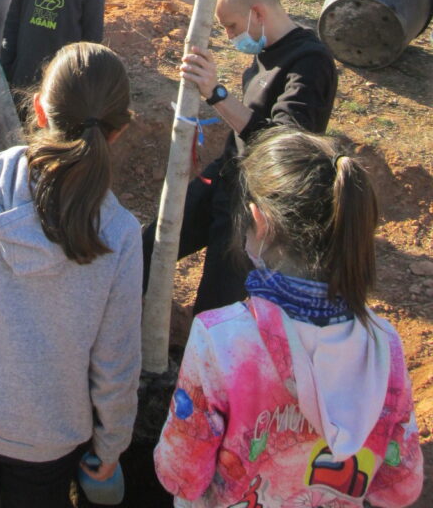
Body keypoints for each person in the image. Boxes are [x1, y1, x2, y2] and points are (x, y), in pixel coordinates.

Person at [0, 42, 143, 508]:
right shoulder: (118, 233)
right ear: (118, 132)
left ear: (37, 110)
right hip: (47, 438)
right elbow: (117, 358)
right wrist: (111, 442)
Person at [155, 126, 423, 508]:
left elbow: (180, 474)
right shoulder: (383, 346)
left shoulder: (220, 338)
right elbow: (400, 489)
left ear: (259, 220)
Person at [145, 0, 338, 314]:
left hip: (257, 201)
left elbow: (282, 142)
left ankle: (205, 346)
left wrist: (216, 94)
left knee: (217, 304)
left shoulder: (310, 64)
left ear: (258, 13)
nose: (230, 36)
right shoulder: (266, 49)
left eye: (232, 26)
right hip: (228, 174)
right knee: (148, 247)